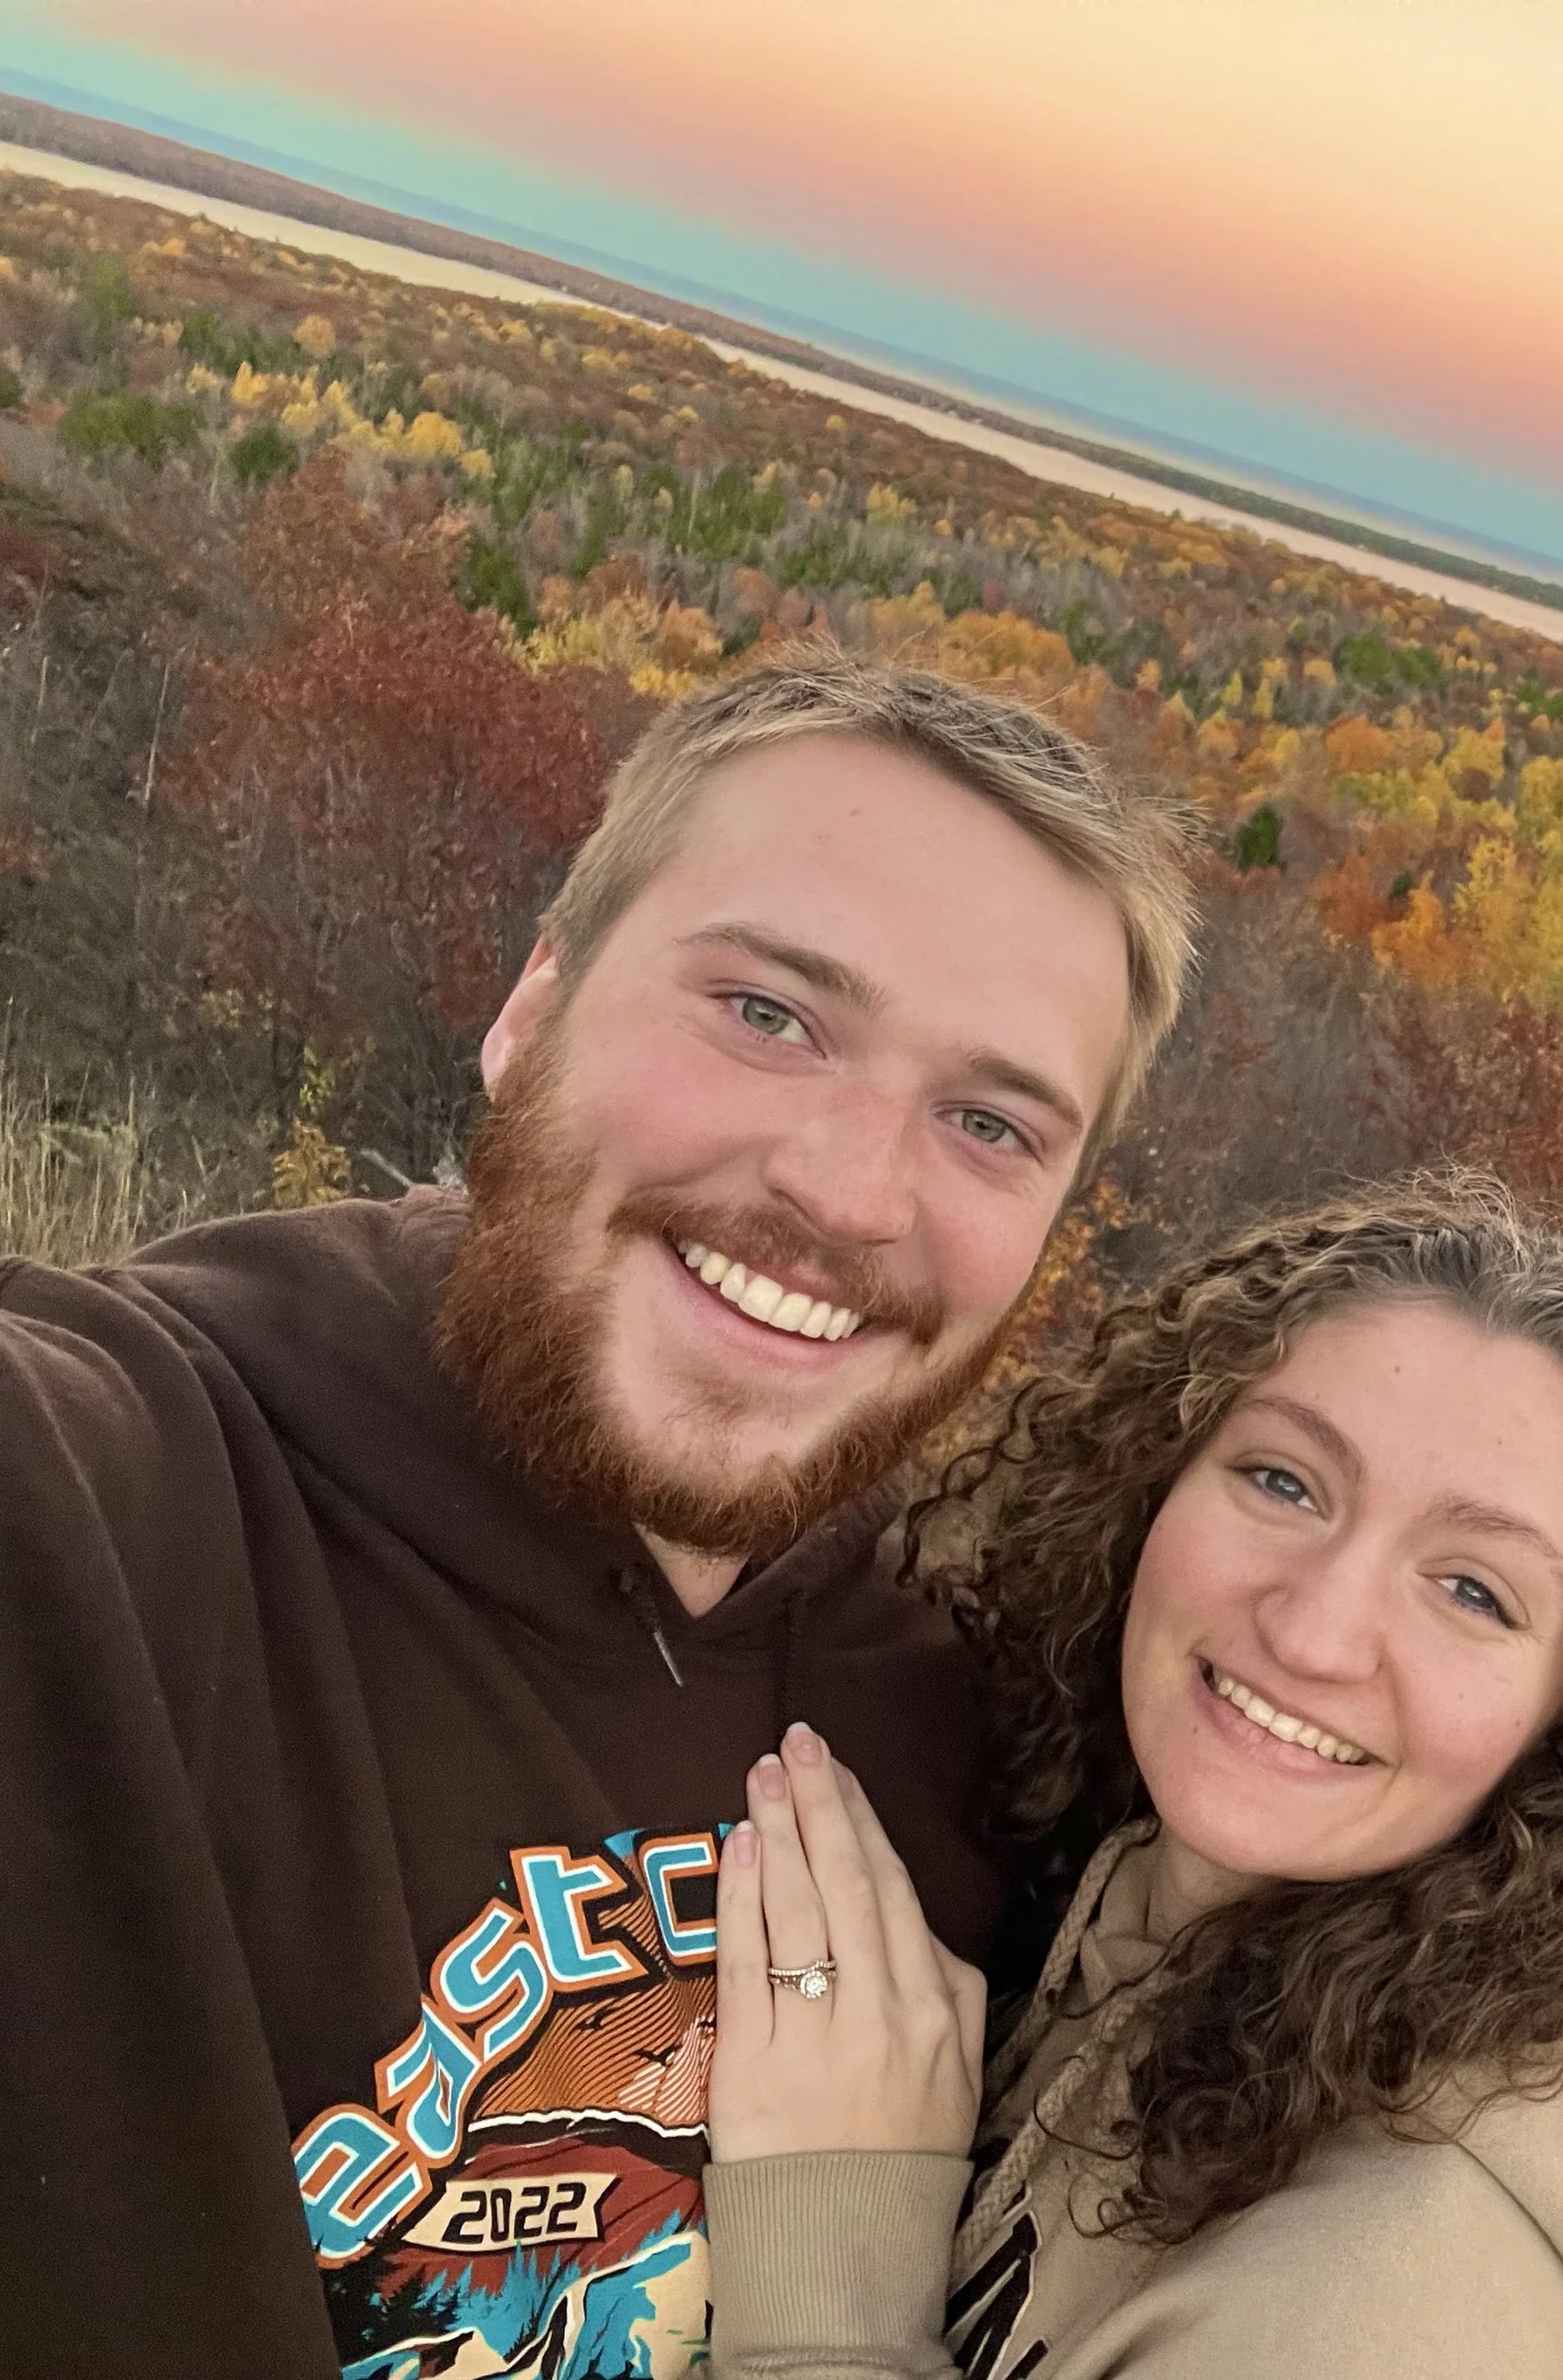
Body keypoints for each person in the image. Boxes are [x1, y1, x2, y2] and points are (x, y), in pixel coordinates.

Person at [0, 650, 1196, 2380]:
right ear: (531, 1010)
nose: (849, 1192)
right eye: (767, 1014)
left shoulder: (1006, 1700)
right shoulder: (130, 1493)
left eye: (988, 1121)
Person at [699, 1171, 1563, 2377]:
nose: (1314, 1631)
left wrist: (827, 2308)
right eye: (1284, 1480)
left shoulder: (1389, 2311)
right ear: (1150, 1479)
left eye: (1473, 1589)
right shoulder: (1105, 1886)